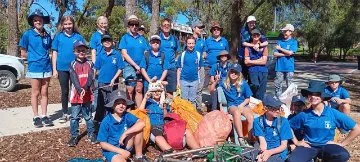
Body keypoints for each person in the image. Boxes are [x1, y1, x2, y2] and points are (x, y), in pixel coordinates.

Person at [287, 80, 360, 162]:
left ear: (322, 96)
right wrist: (296, 142)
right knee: (293, 160)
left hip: (327, 146)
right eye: (310, 94)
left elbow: (357, 128)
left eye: (317, 94)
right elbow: (286, 126)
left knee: (342, 155)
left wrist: (342, 144)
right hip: (308, 146)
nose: (313, 97)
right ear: (307, 97)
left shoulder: (332, 113)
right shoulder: (304, 115)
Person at [138, 82, 202, 154]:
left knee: (186, 131)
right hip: (155, 126)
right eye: (154, 91)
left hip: (167, 124)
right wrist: (145, 98)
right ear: (151, 93)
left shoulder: (165, 102)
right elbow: (139, 111)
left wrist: (165, 107)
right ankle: (174, 153)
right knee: (158, 137)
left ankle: (198, 150)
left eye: (159, 91)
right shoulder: (148, 102)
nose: (156, 93)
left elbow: (168, 114)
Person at [19, 11, 54, 128]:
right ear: (32, 22)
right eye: (35, 20)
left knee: (45, 92)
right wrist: (34, 58)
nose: (38, 22)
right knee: (35, 92)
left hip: (46, 67)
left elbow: (50, 50)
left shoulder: (47, 35)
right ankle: (36, 116)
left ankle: (44, 115)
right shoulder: (27, 34)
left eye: (40, 20)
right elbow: (23, 52)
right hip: (34, 67)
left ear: (43, 21)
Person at [51, 15, 86, 123]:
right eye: (65, 24)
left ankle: (77, 113)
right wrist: (54, 69)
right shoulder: (58, 36)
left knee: (76, 90)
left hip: (76, 68)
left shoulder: (78, 37)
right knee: (65, 91)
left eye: (69, 24)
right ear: (62, 25)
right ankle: (65, 113)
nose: (68, 26)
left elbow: (82, 53)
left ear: (73, 24)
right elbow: (54, 53)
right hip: (62, 68)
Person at [97, 91, 148, 162]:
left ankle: (139, 157)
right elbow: (103, 144)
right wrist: (121, 151)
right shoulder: (106, 121)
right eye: (118, 103)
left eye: (123, 103)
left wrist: (126, 133)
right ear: (112, 105)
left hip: (125, 144)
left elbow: (142, 123)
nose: (121, 106)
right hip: (112, 149)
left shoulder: (127, 115)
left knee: (139, 129)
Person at [210, 63, 253, 146]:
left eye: (236, 73)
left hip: (242, 104)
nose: (233, 74)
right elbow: (211, 90)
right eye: (232, 72)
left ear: (239, 74)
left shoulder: (243, 83)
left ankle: (250, 138)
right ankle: (241, 138)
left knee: (250, 117)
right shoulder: (224, 82)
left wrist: (242, 105)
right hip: (232, 105)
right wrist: (215, 81)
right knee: (236, 112)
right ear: (229, 72)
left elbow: (248, 98)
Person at [67, 40, 97, 147]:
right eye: (78, 50)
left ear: (86, 51)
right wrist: (80, 89)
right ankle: (74, 136)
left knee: (88, 116)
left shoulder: (90, 63)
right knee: (74, 116)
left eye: (83, 50)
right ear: (74, 51)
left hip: (87, 93)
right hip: (76, 94)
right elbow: (74, 78)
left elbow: (90, 77)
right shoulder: (72, 64)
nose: (81, 52)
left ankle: (91, 133)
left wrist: (85, 88)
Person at [119, 15, 149, 107]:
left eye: (136, 24)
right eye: (132, 24)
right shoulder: (125, 38)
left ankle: (140, 111)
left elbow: (146, 52)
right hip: (129, 66)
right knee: (130, 90)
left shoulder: (142, 39)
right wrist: (135, 65)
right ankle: (129, 110)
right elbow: (124, 53)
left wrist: (141, 66)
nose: (134, 27)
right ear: (128, 25)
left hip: (141, 67)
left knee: (139, 89)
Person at [94, 34, 124, 124]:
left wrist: (113, 79)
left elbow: (120, 68)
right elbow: (96, 68)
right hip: (102, 82)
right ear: (102, 43)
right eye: (104, 40)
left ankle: (111, 120)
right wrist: (93, 79)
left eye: (108, 40)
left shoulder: (117, 54)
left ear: (112, 42)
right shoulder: (100, 54)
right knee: (101, 102)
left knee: (111, 102)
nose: (106, 42)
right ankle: (99, 121)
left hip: (113, 83)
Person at [253, 94, 293, 162]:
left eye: (279, 107)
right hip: (264, 149)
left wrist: (269, 153)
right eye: (274, 108)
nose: (278, 111)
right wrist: (262, 154)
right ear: (265, 108)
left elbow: (283, 146)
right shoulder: (258, 121)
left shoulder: (283, 121)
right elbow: (263, 142)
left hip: (278, 151)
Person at [205, 22, 229, 110]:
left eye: (217, 29)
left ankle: (220, 105)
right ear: (212, 31)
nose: (216, 31)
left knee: (221, 84)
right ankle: (212, 104)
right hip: (209, 66)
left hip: (221, 66)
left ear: (220, 31)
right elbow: (205, 52)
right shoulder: (208, 40)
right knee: (210, 85)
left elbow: (226, 53)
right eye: (214, 29)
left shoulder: (224, 41)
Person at [89, 16, 109, 116]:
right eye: (101, 23)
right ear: (98, 24)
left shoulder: (108, 35)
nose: (103, 25)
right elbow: (93, 51)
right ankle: (96, 108)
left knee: (106, 86)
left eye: (105, 23)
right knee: (97, 87)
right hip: (99, 65)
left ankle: (106, 106)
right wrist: (95, 66)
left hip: (107, 65)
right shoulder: (95, 36)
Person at [239, 15, 268, 81]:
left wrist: (259, 45)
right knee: (244, 74)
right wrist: (253, 46)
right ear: (247, 23)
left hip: (255, 55)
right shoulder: (243, 31)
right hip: (244, 55)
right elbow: (243, 43)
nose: (252, 24)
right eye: (250, 22)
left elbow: (266, 42)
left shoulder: (258, 30)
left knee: (253, 75)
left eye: (253, 22)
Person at [176, 36, 203, 107]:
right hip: (184, 80)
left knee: (192, 100)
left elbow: (199, 67)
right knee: (184, 100)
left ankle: (192, 116)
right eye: (189, 43)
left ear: (195, 44)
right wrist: (178, 82)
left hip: (194, 81)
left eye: (192, 43)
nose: (191, 45)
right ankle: (184, 116)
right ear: (186, 44)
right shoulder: (182, 55)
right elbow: (179, 69)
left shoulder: (198, 54)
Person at [274, 24, 298, 98]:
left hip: (289, 67)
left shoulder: (294, 42)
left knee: (289, 86)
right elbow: (275, 53)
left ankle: (289, 101)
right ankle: (278, 100)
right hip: (279, 67)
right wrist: (286, 54)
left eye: (285, 31)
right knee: (278, 85)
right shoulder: (279, 42)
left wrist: (280, 49)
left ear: (290, 32)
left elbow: (291, 52)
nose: (284, 33)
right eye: (283, 31)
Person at [159, 18, 181, 99]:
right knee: (159, 89)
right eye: (164, 25)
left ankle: (169, 109)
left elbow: (178, 52)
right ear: (161, 27)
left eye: (168, 25)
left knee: (170, 91)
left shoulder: (174, 39)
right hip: (160, 68)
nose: (166, 26)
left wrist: (175, 61)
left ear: (170, 27)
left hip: (172, 68)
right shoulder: (158, 38)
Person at [244, 29, 269, 100]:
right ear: (251, 36)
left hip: (263, 71)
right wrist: (259, 60)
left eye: (257, 35)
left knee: (262, 90)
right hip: (252, 71)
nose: (255, 36)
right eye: (254, 35)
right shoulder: (247, 47)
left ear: (260, 36)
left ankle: (260, 107)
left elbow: (264, 61)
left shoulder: (264, 47)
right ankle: (253, 106)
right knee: (254, 87)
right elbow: (246, 62)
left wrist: (251, 61)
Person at [191, 21, 207, 111]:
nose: (201, 29)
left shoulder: (202, 41)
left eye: (202, 28)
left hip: (201, 66)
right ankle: (192, 107)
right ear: (194, 28)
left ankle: (199, 107)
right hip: (191, 67)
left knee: (200, 87)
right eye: (199, 27)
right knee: (192, 86)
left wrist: (204, 55)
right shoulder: (189, 40)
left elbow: (205, 53)